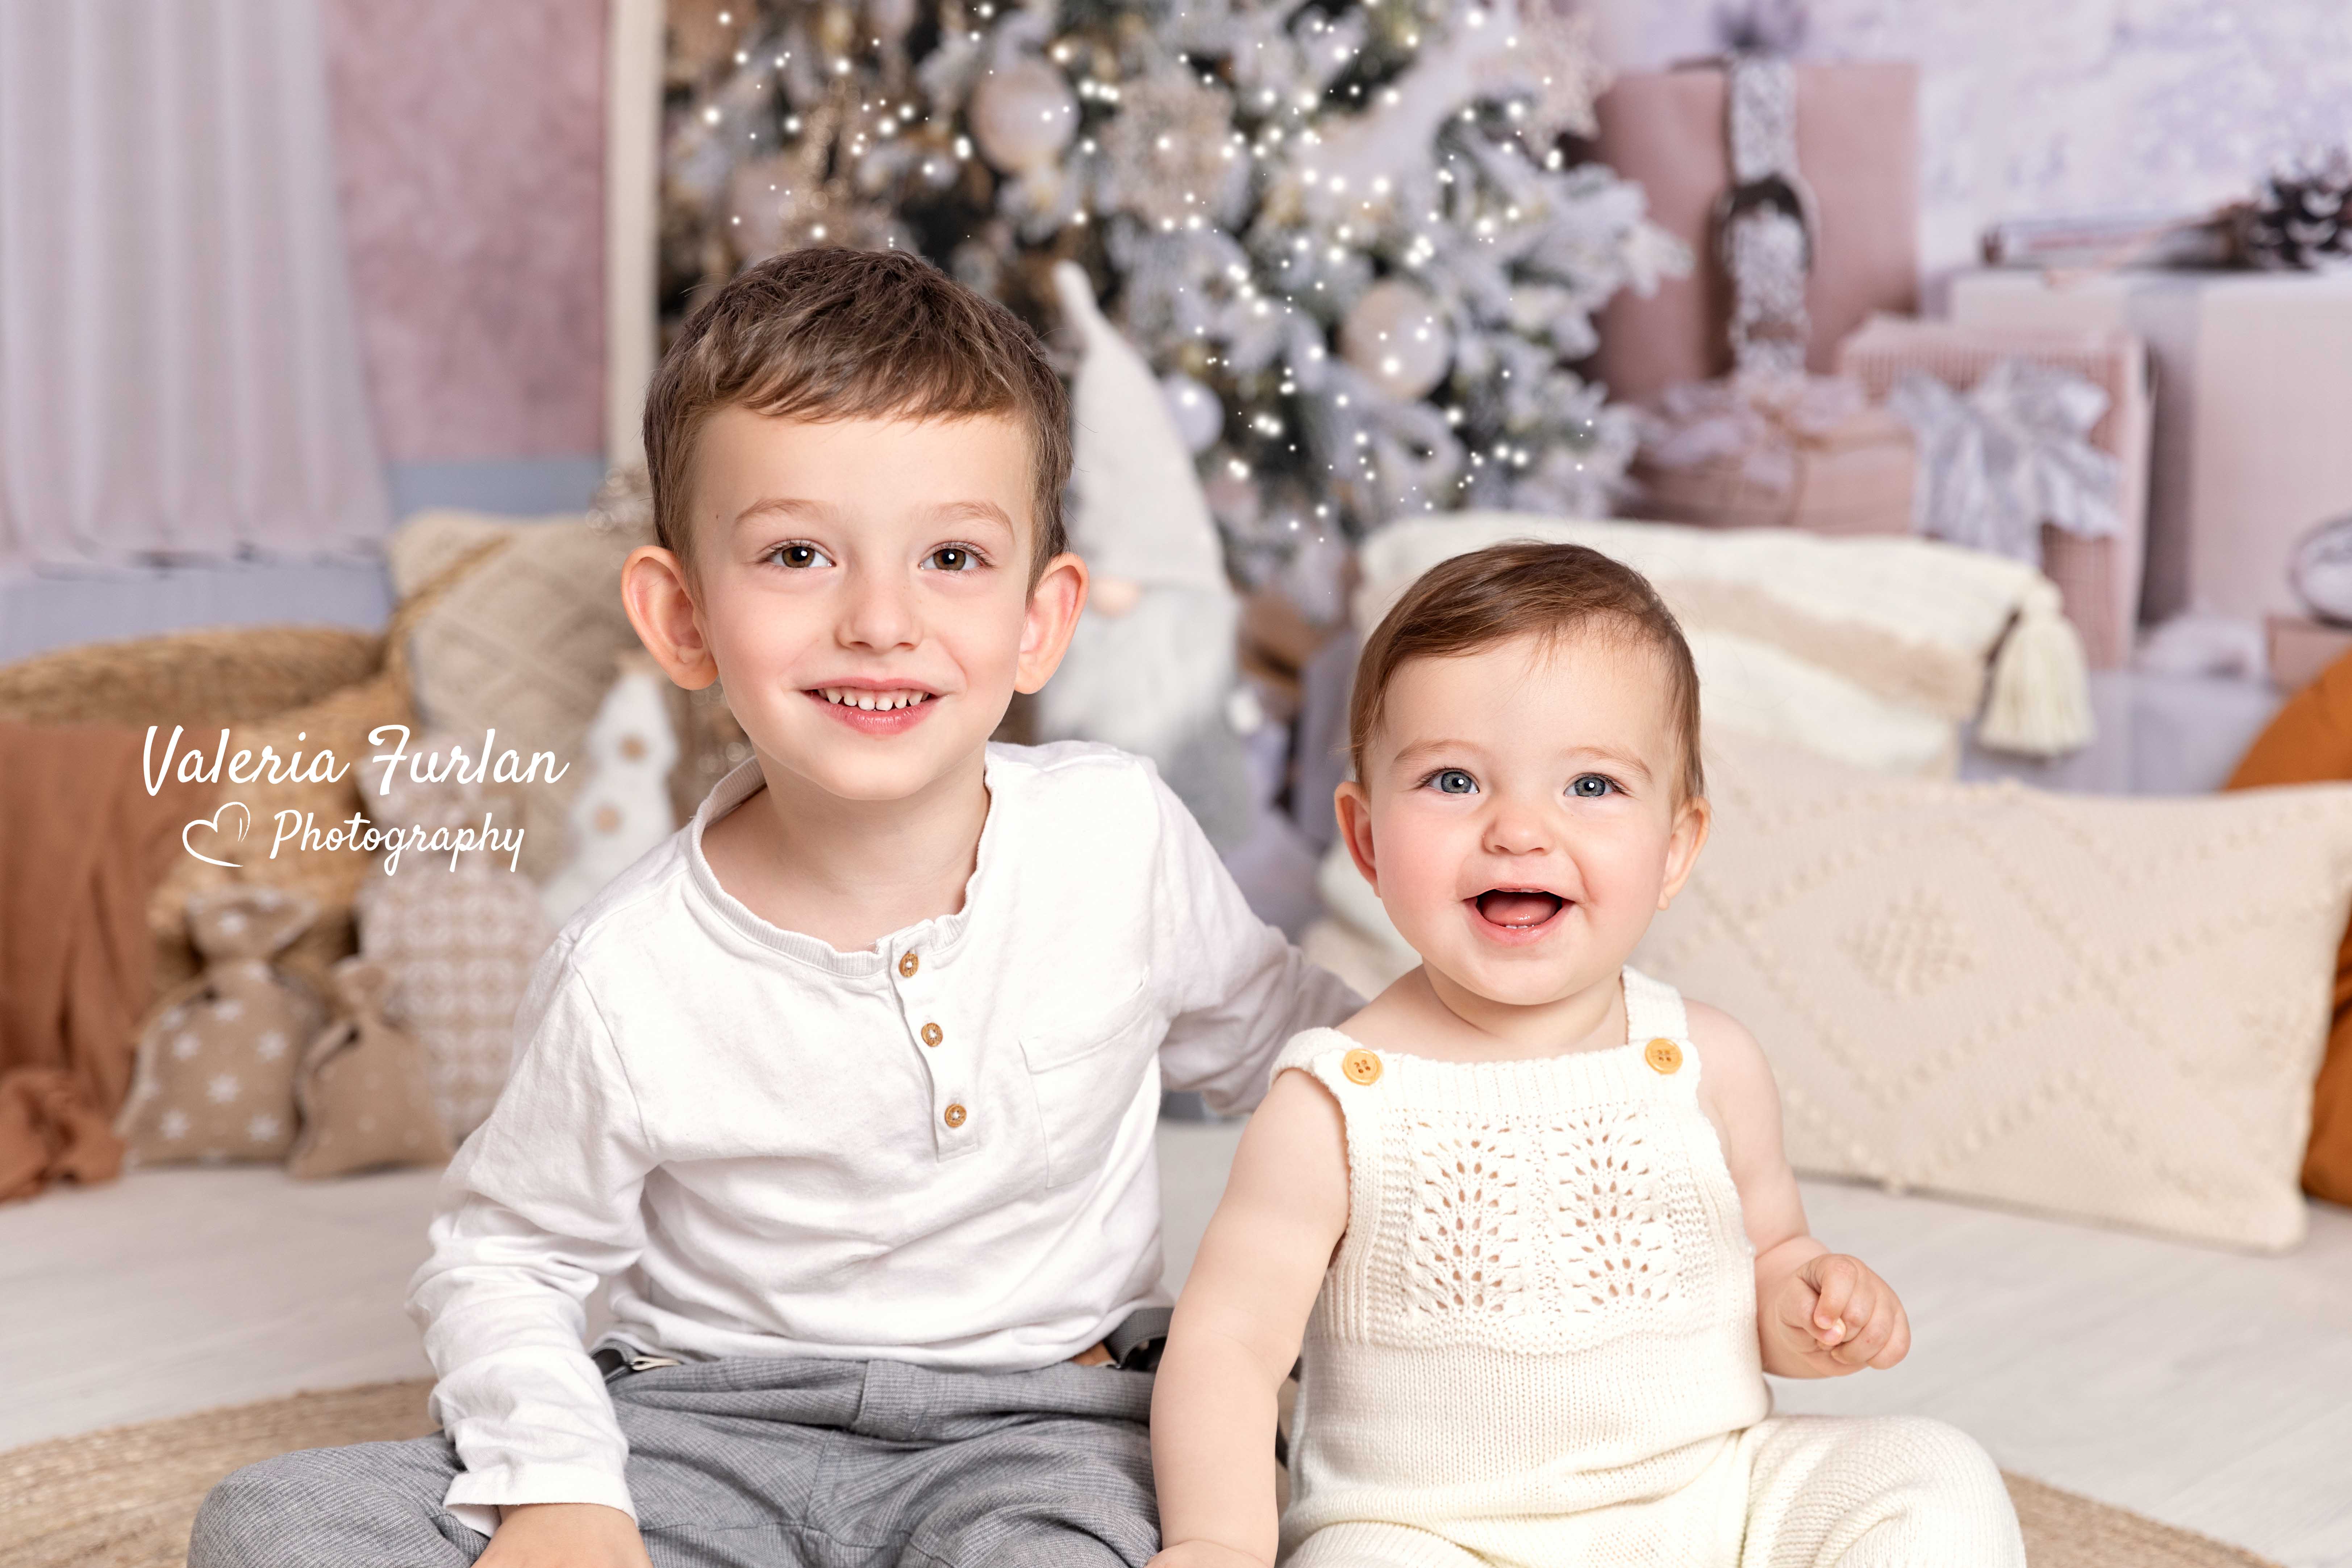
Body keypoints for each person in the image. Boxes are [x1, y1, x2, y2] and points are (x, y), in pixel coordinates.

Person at [190, 248, 1356, 1568]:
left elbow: (1312, 1057)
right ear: (680, 617)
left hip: (1042, 1426)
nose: (879, 619)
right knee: (274, 1524)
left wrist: (1508, 1046)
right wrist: (565, 1490)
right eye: (799, 553)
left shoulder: (1115, 837)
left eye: (952, 557)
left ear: (1043, 619)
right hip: (701, 1432)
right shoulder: (627, 968)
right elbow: (501, 1259)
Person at [1148, 542, 2026, 1568]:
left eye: (1592, 786)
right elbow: (1229, 1346)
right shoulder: (1338, 1102)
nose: (1519, 829)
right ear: (1368, 839)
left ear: (1674, 848)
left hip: (1709, 1502)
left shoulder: (1707, 1063)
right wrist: (1216, 1542)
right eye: (1451, 779)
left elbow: (1769, 1270)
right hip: (1437, 1534)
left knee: (1929, 1472)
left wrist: (1811, 1306)